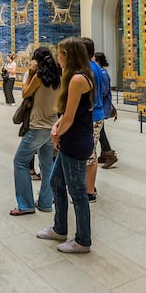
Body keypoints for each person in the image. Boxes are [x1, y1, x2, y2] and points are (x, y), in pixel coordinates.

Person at [37, 37, 94, 253]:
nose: (57, 57)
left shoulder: (78, 79)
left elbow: (69, 117)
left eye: (60, 52)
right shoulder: (74, 76)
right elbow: (66, 114)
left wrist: (56, 134)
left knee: (77, 192)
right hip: (72, 137)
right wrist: (56, 127)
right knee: (56, 183)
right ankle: (59, 227)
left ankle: (83, 240)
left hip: (75, 140)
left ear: (68, 55)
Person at [10, 47, 60, 215]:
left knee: (20, 161)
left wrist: (30, 74)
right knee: (47, 165)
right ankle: (45, 202)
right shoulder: (58, 78)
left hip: (37, 126)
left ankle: (25, 204)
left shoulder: (39, 77)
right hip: (51, 126)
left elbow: (25, 93)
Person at [81, 38, 106, 203]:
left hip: (92, 116)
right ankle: (88, 186)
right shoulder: (96, 67)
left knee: (90, 155)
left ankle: (89, 191)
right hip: (96, 114)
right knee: (90, 153)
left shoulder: (88, 69)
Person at [94, 52, 118, 168]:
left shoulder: (102, 74)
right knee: (100, 130)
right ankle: (105, 153)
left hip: (102, 106)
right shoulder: (102, 72)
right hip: (101, 106)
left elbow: (103, 91)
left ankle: (109, 154)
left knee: (100, 131)